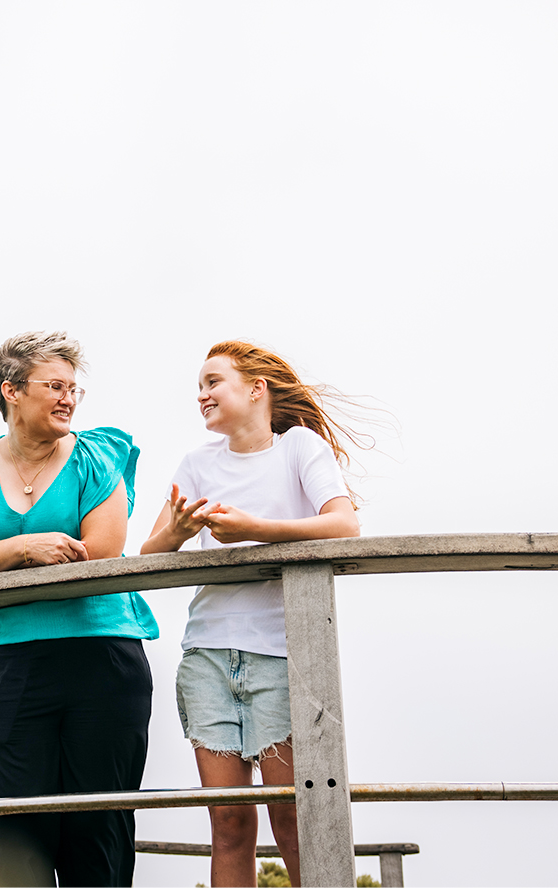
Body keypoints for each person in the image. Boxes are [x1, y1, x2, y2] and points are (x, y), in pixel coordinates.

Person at [0, 331, 158, 888]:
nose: (69, 398)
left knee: (98, 832)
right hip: (17, 663)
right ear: (11, 390)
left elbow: (98, 555)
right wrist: (23, 547)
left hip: (103, 658)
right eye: (55, 386)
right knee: (22, 832)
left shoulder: (96, 456)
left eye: (73, 388)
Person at [139, 340, 364, 888]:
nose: (202, 395)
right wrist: (179, 532)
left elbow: (344, 525)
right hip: (208, 658)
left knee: (293, 818)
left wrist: (254, 531)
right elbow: (148, 557)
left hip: (283, 659)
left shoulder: (298, 449)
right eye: (199, 386)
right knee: (231, 824)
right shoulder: (195, 464)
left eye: (213, 382)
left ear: (255, 389)